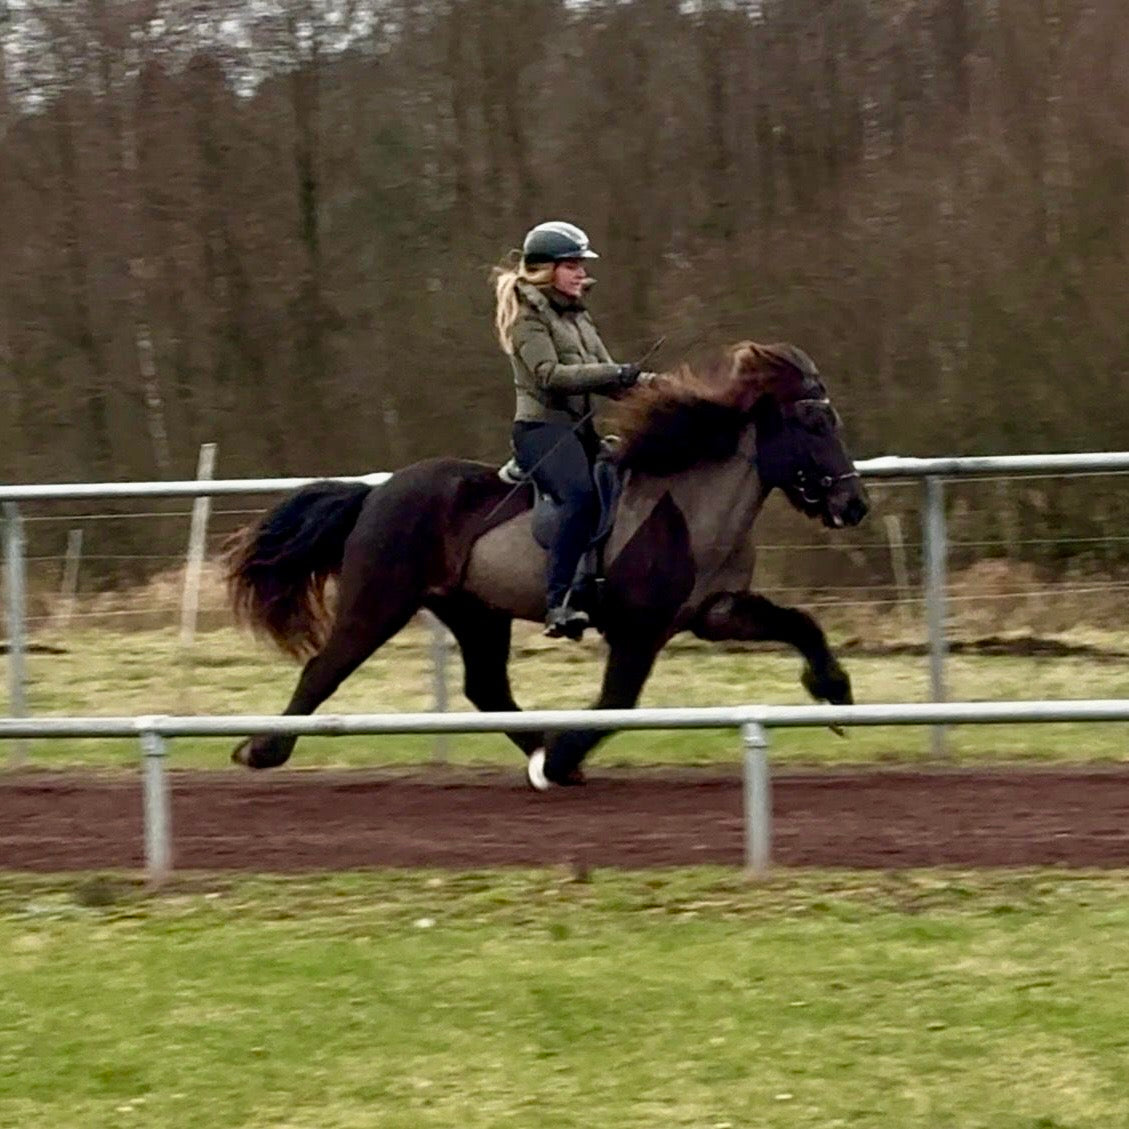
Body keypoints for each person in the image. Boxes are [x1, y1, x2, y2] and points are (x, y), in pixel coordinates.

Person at [492, 220, 648, 639]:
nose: (581, 272)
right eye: (572, 265)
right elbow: (549, 375)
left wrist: (655, 387)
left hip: (580, 431)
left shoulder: (579, 318)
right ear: (546, 269)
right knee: (578, 496)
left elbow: (610, 379)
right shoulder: (527, 319)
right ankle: (558, 602)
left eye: (581, 264)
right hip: (541, 432)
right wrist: (615, 372)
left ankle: (593, 585)